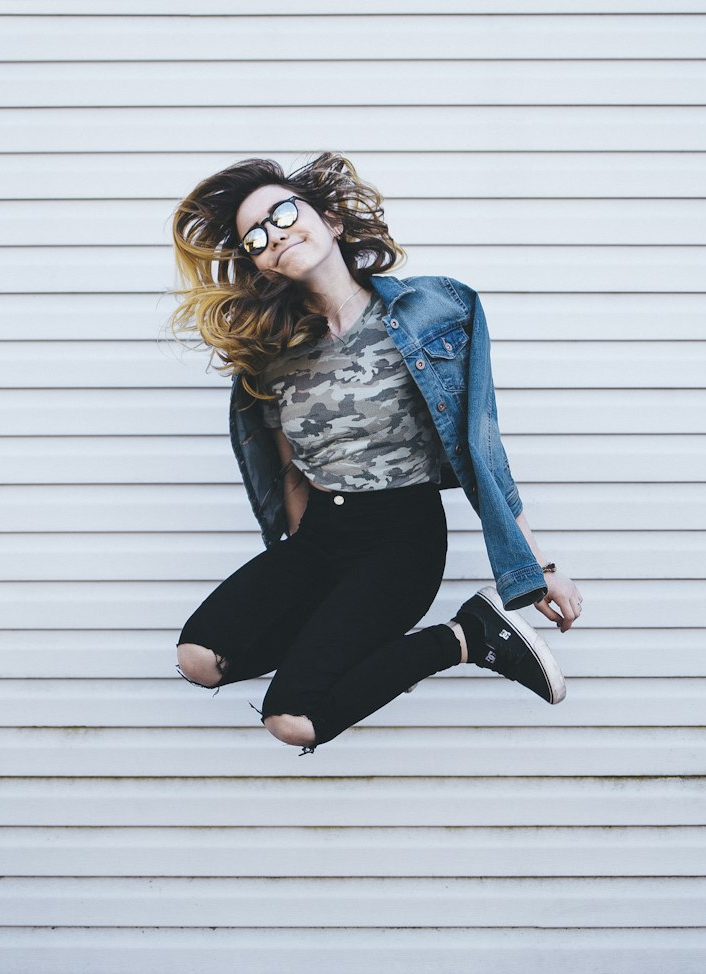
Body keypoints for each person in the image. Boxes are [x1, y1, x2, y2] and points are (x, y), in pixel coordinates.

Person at [169, 152, 583, 754]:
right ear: (259, 266)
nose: (274, 235)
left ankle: (466, 638)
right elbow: (284, 466)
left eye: (284, 212)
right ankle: (363, 640)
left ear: (332, 220)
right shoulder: (269, 353)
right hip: (319, 538)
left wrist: (535, 568)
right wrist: (293, 561)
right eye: (255, 238)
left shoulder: (434, 312)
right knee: (200, 656)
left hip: (400, 542)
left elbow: (483, 449)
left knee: (293, 722)